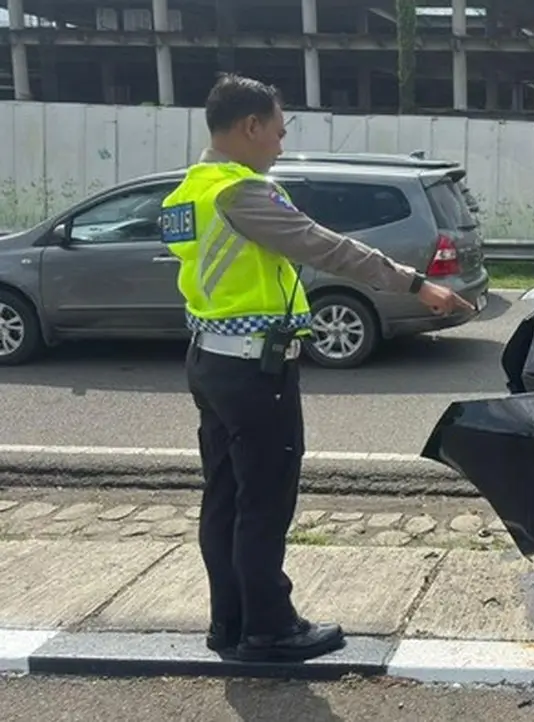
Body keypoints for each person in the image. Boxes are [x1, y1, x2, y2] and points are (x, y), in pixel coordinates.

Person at [161, 73, 474, 663]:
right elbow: (323, 245)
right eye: (278, 132)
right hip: (255, 374)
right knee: (264, 501)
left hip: (209, 360)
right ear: (250, 127)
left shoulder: (191, 190)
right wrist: (415, 284)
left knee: (224, 497)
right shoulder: (241, 192)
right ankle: (271, 629)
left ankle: (228, 622)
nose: (281, 144)